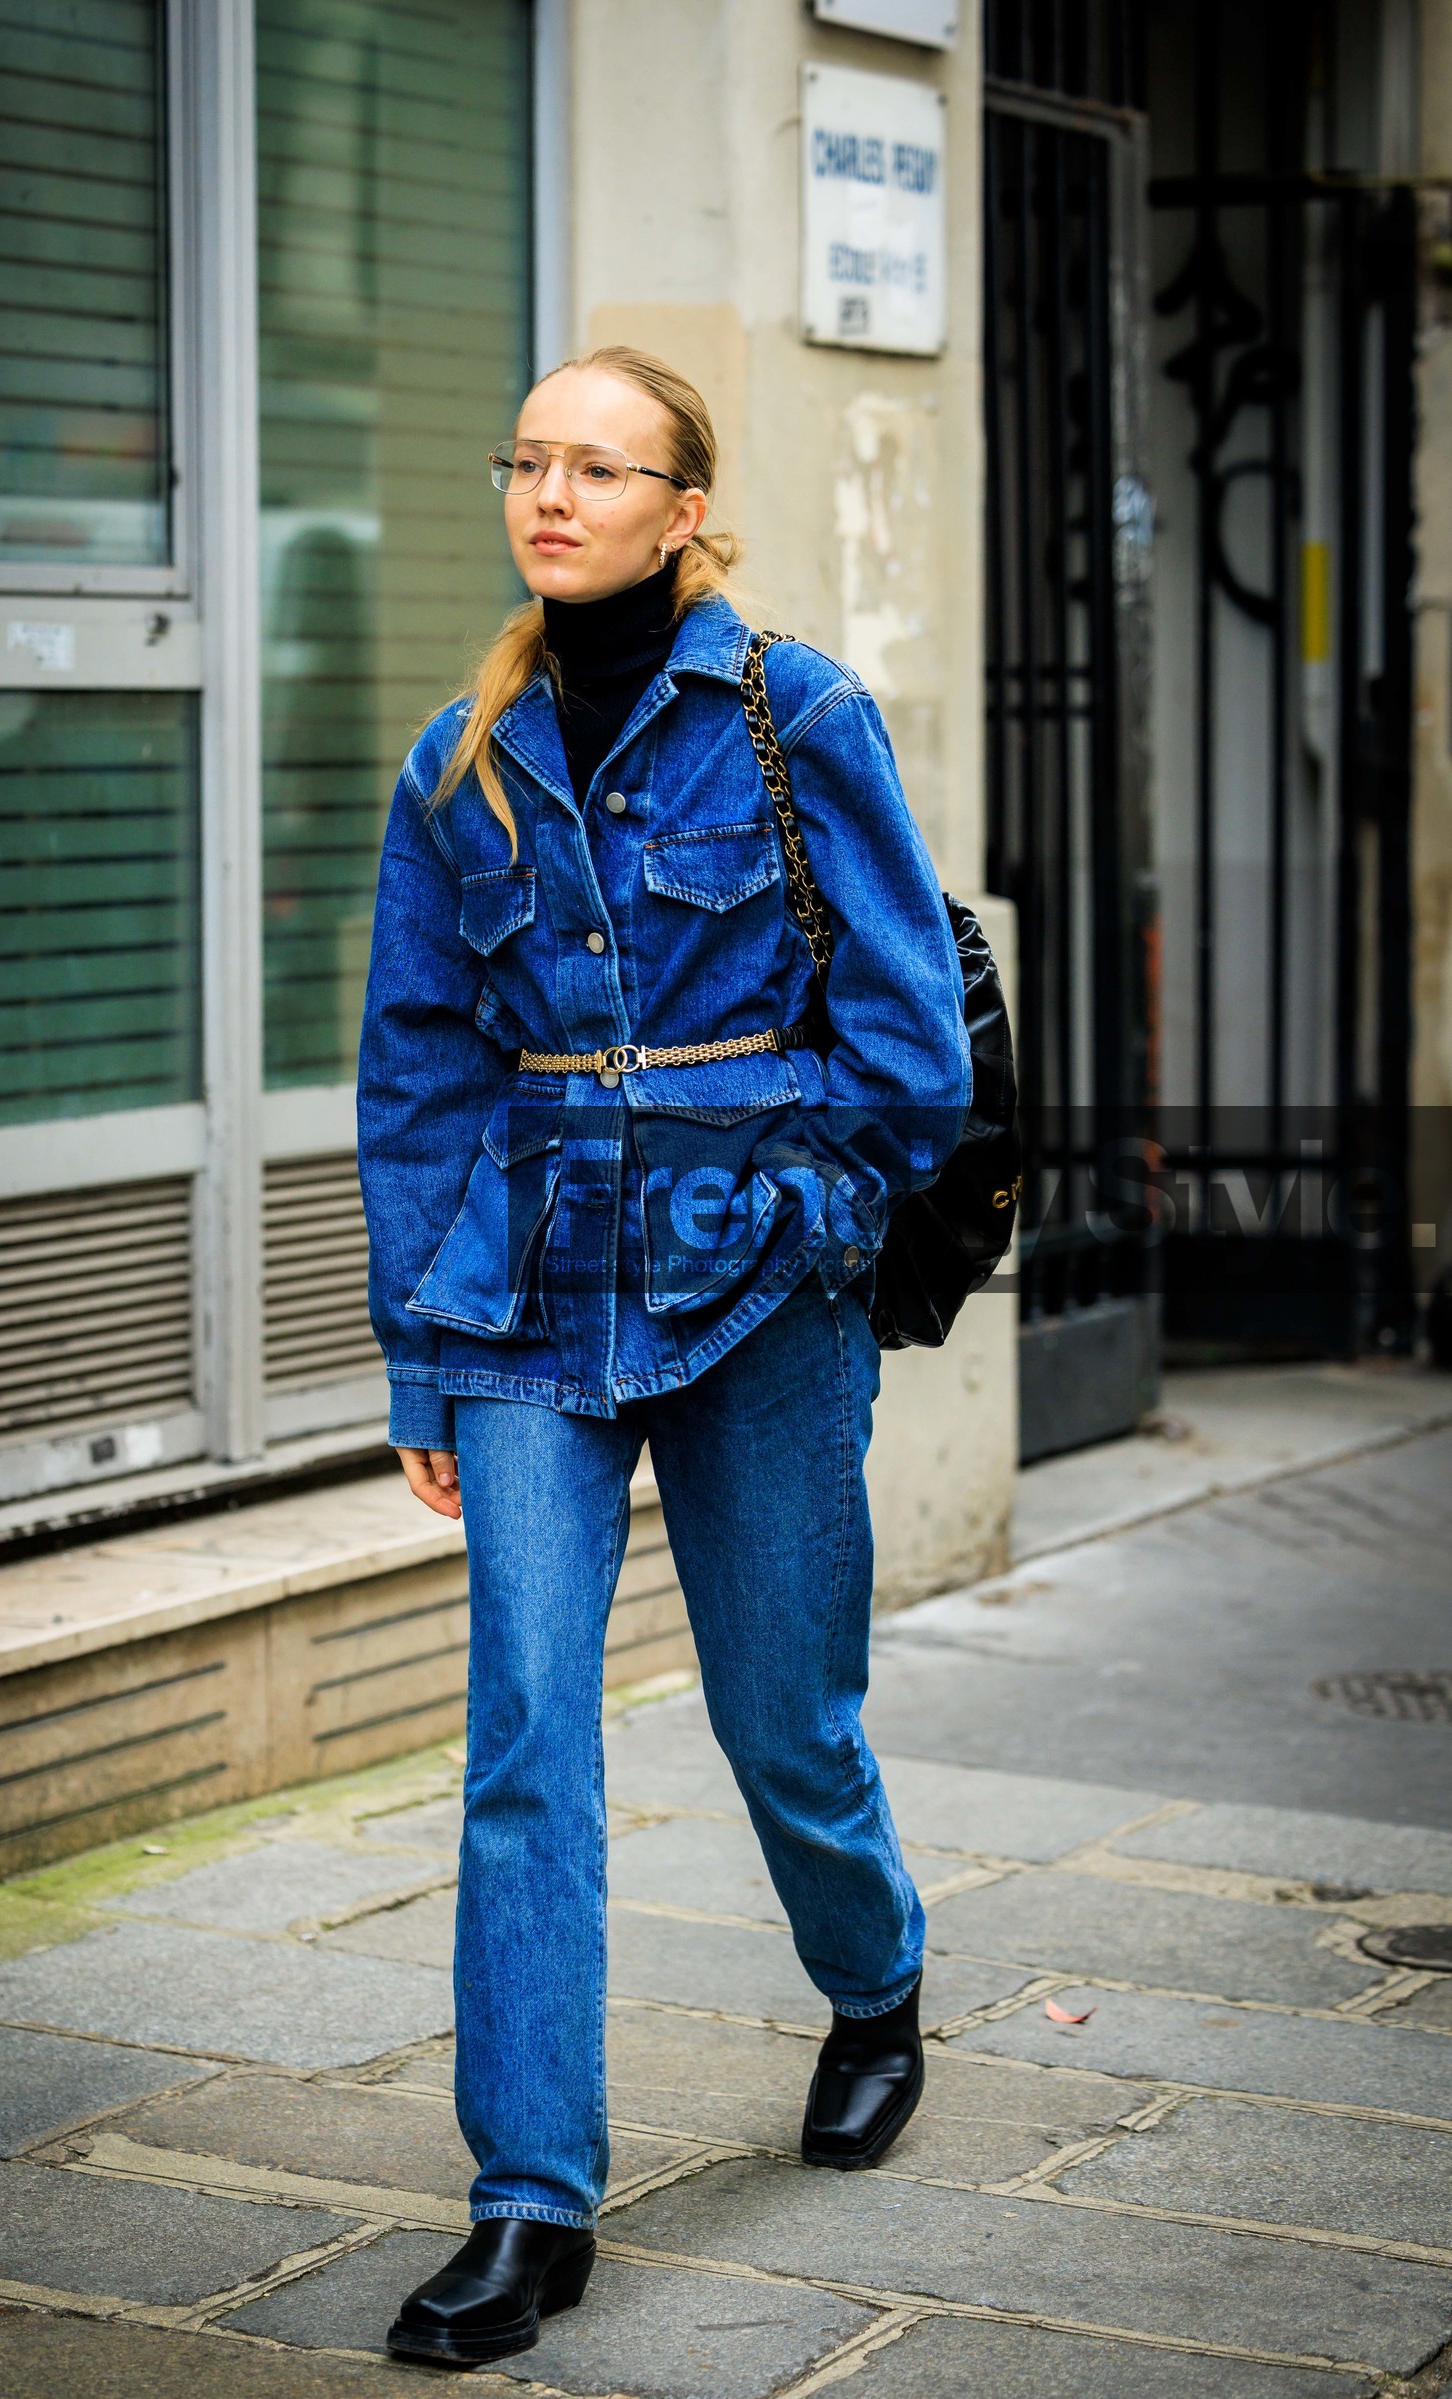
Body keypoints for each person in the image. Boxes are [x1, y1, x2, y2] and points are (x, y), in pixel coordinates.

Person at [358, 346, 970, 2367]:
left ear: (684, 505)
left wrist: (810, 1218)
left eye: (598, 466)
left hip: (759, 1293)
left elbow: (905, 1039)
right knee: (526, 1735)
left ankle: (872, 1978)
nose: (551, 494)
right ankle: (529, 2200)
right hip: (530, 1293)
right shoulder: (461, 756)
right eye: (525, 458)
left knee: (779, 1713)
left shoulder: (795, 715)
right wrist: (421, 1360)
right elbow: (419, 1073)